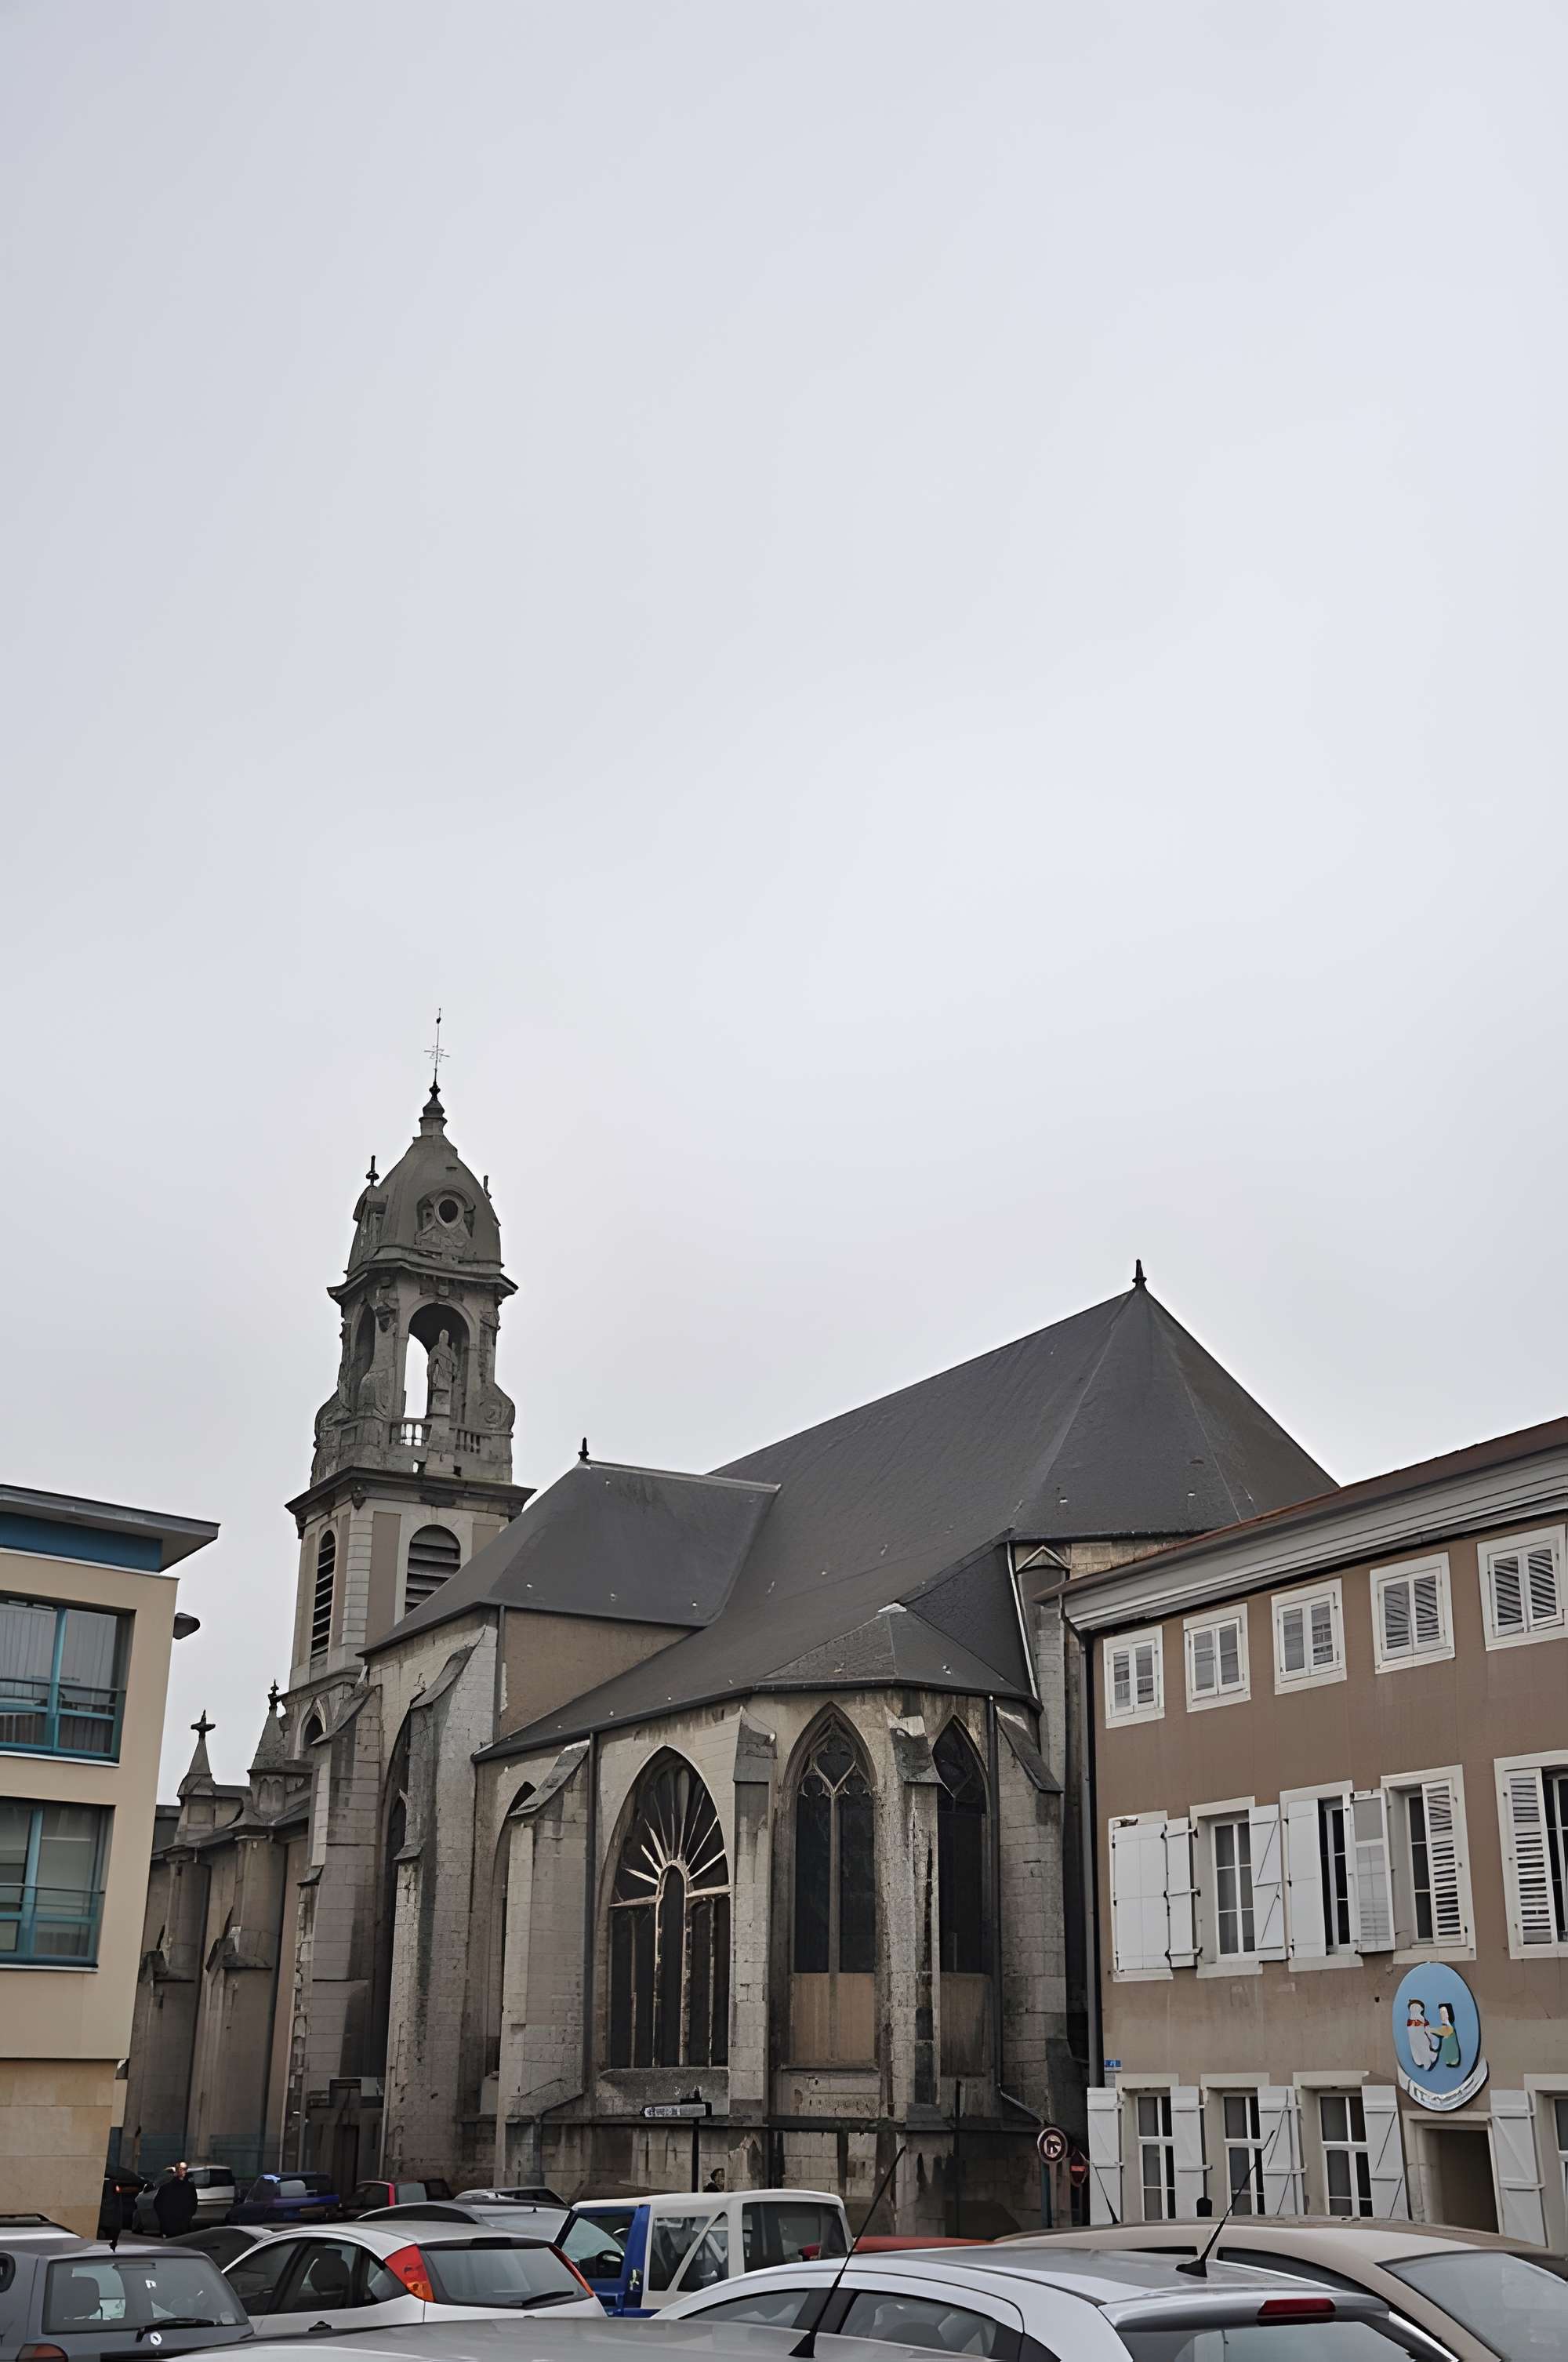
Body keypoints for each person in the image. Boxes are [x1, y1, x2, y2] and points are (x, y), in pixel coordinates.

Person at [153, 2163, 199, 2241]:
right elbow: (194, 2202)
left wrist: (163, 2219)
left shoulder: (165, 2188)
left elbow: (157, 2204)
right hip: (182, 2225)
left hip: (170, 2225)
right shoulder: (189, 2188)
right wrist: (189, 2215)